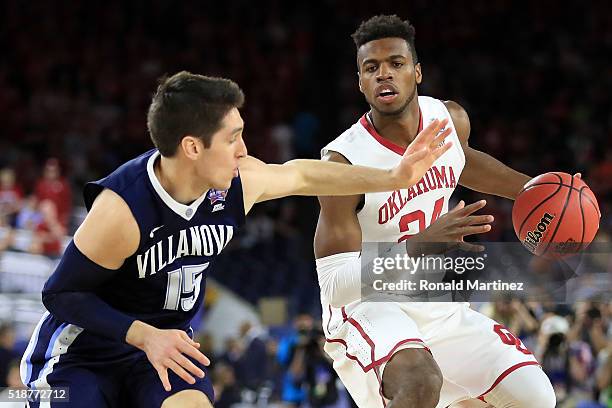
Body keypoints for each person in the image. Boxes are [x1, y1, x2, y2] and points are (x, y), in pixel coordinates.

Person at [20, 71, 452, 408]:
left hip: (166, 349)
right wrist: (143, 335)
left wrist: (392, 177)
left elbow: (302, 173)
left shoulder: (236, 182)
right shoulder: (123, 210)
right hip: (83, 355)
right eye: (232, 139)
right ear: (192, 148)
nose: (245, 149)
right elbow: (60, 293)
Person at [314, 15, 557, 408]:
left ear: (417, 72)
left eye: (396, 63)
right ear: (360, 82)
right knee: (420, 382)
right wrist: (418, 245)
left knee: (535, 398)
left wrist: (534, 191)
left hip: (433, 298)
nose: (383, 75)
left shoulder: (448, 119)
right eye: (371, 68)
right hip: (368, 307)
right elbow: (334, 286)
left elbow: (465, 160)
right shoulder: (344, 163)